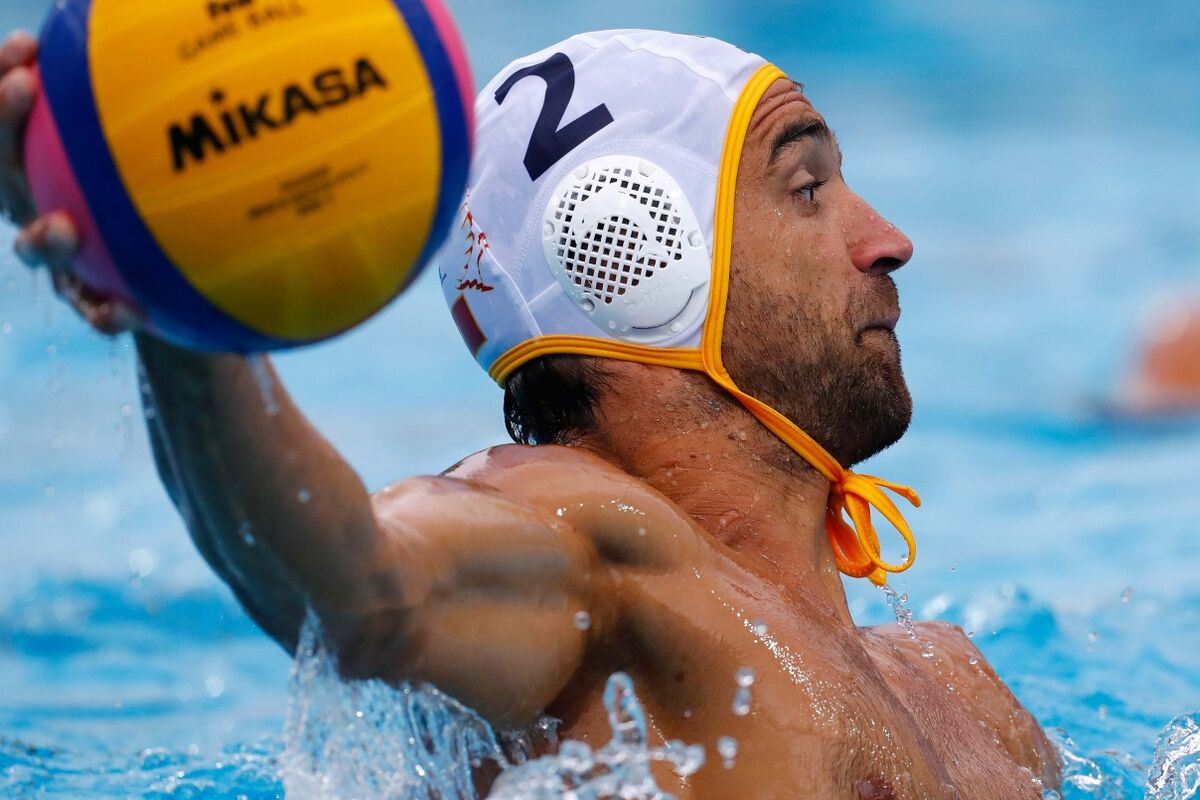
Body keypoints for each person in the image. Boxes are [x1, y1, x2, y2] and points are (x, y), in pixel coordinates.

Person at [1, 27, 1060, 799]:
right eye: (807, 187)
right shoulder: (596, 551)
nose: (886, 239)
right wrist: (173, 309)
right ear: (635, 255)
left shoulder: (961, 690)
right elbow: (362, 591)